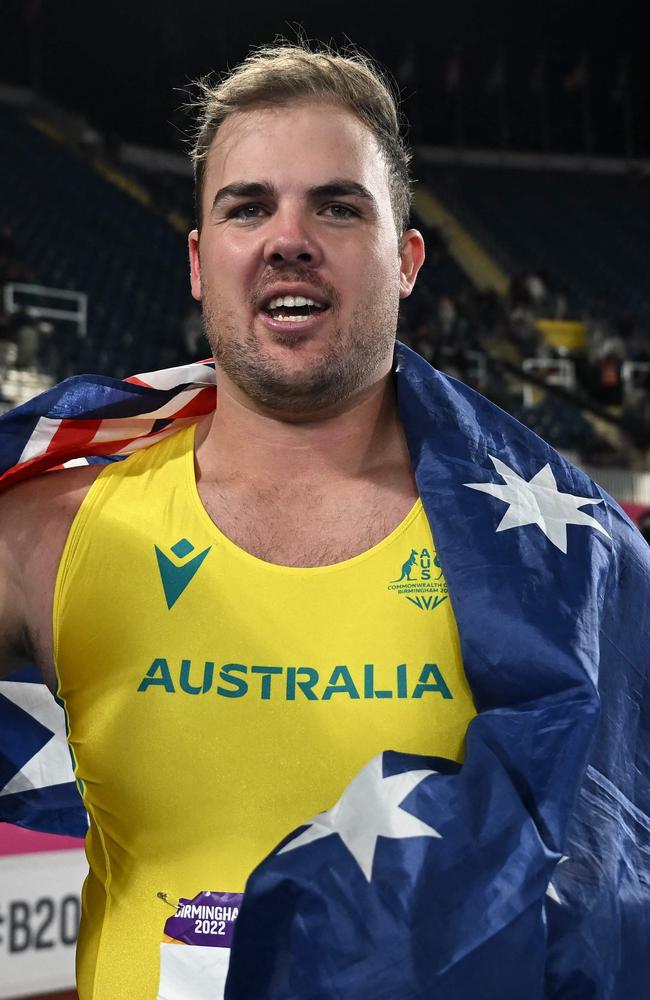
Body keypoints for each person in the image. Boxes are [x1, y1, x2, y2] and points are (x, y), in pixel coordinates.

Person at [0, 42, 648, 1000]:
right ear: (195, 261)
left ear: (408, 260)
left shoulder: (553, 569)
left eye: (339, 206)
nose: (288, 236)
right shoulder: (49, 532)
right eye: (247, 205)